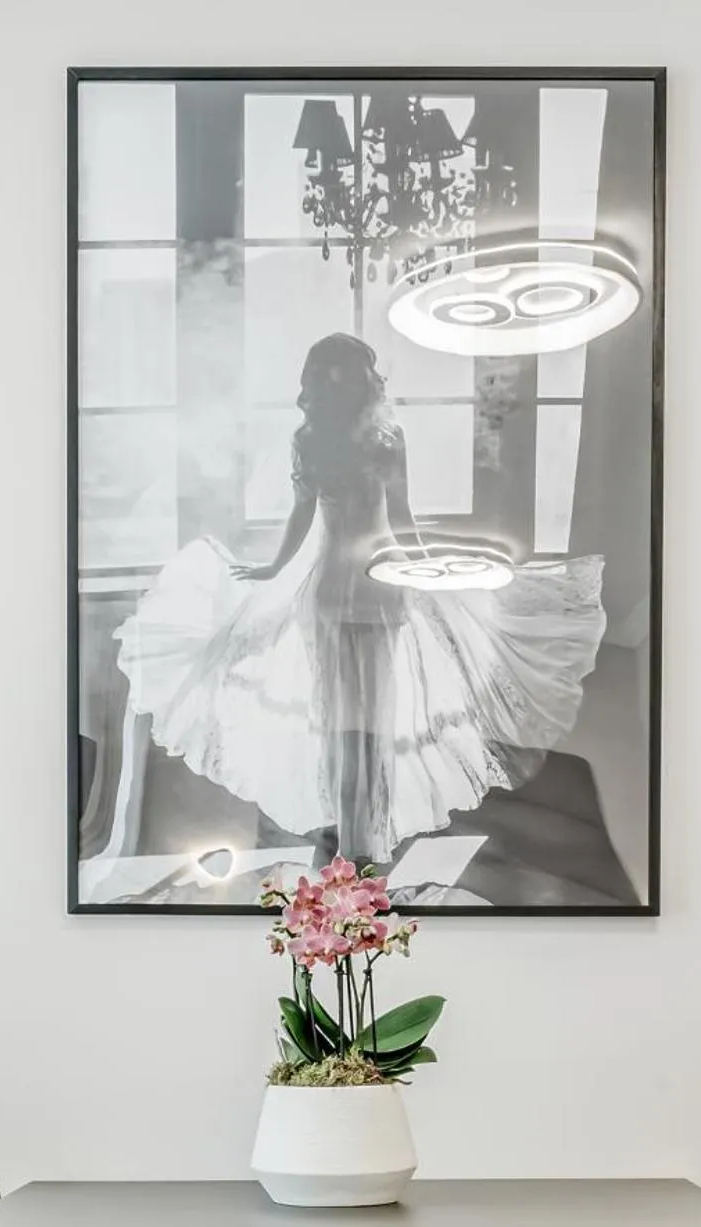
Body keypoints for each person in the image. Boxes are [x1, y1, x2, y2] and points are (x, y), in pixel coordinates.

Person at [109, 331, 606, 867]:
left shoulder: (346, 438)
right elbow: (374, 517)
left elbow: (359, 516)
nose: (334, 381)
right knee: (361, 726)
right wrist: (283, 567)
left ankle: (358, 841)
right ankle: (359, 842)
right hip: (355, 590)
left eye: (334, 372)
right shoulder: (353, 438)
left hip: (355, 590)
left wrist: (423, 567)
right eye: (335, 371)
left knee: (353, 727)